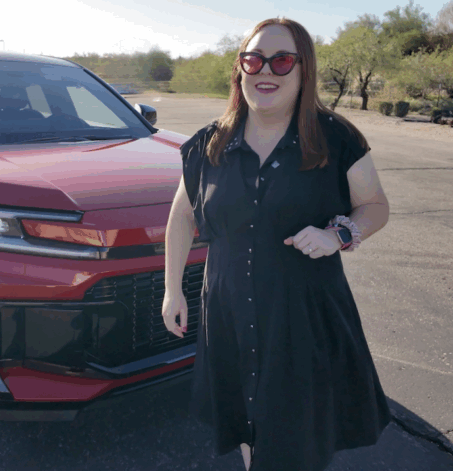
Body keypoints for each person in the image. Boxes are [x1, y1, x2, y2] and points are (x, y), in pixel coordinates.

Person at [162, 17, 392, 471]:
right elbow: (182, 215)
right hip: (227, 309)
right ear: (239, 69)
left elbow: (375, 206)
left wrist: (337, 234)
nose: (266, 71)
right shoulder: (210, 144)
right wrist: (172, 290)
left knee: (296, 432)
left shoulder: (333, 138)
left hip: (302, 317)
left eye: (282, 60)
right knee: (245, 420)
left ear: (303, 70)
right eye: (254, 59)